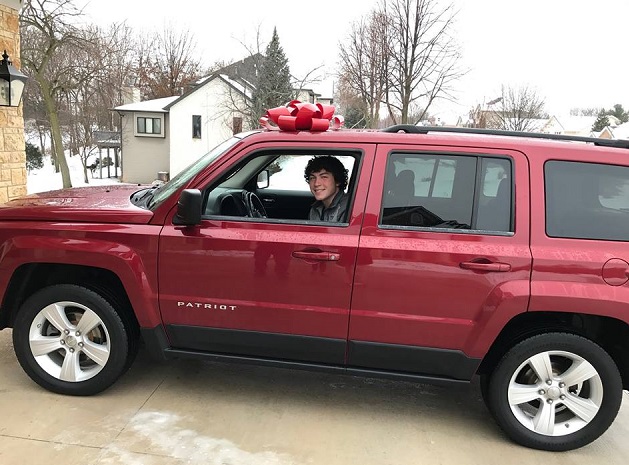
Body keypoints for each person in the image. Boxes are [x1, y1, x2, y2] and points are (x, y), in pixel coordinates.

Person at [304, 155, 349, 222]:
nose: (316, 183)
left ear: (337, 181)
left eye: (324, 177)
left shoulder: (348, 208)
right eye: (312, 178)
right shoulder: (315, 209)